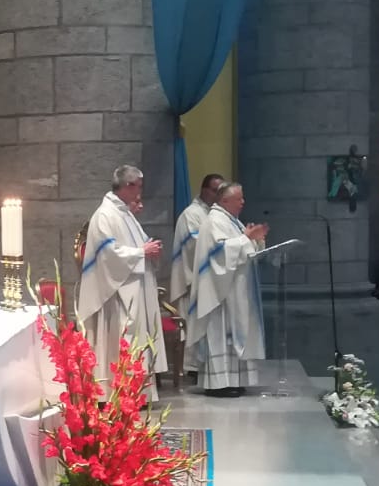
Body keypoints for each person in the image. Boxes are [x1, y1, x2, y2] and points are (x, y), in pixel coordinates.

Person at [77, 165, 167, 402]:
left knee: (135, 340)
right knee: (123, 340)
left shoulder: (124, 213)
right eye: (138, 187)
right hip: (117, 294)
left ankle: (135, 395)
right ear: (128, 185)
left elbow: (138, 244)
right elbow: (108, 254)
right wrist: (141, 252)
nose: (140, 193)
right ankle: (117, 394)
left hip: (133, 288)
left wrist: (150, 249)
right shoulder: (105, 215)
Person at [184, 182, 268, 396]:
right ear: (224, 200)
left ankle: (235, 380)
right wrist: (246, 238)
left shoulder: (231, 221)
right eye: (239, 198)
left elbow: (241, 249)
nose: (243, 202)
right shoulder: (214, 221)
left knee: (235, 334)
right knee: (221, 334)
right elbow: (220, 252)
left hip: (234, 290)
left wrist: (255, 241)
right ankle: (218, 384)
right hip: (219, 294)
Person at [169, 173, 225, 322]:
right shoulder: (191, 214)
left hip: (213, 285)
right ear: (204, 190)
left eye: (222, 192)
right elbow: (196, 246)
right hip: (195, 285)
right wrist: (228, 246)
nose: (219, 196)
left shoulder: (218, 214)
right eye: (216, 191)